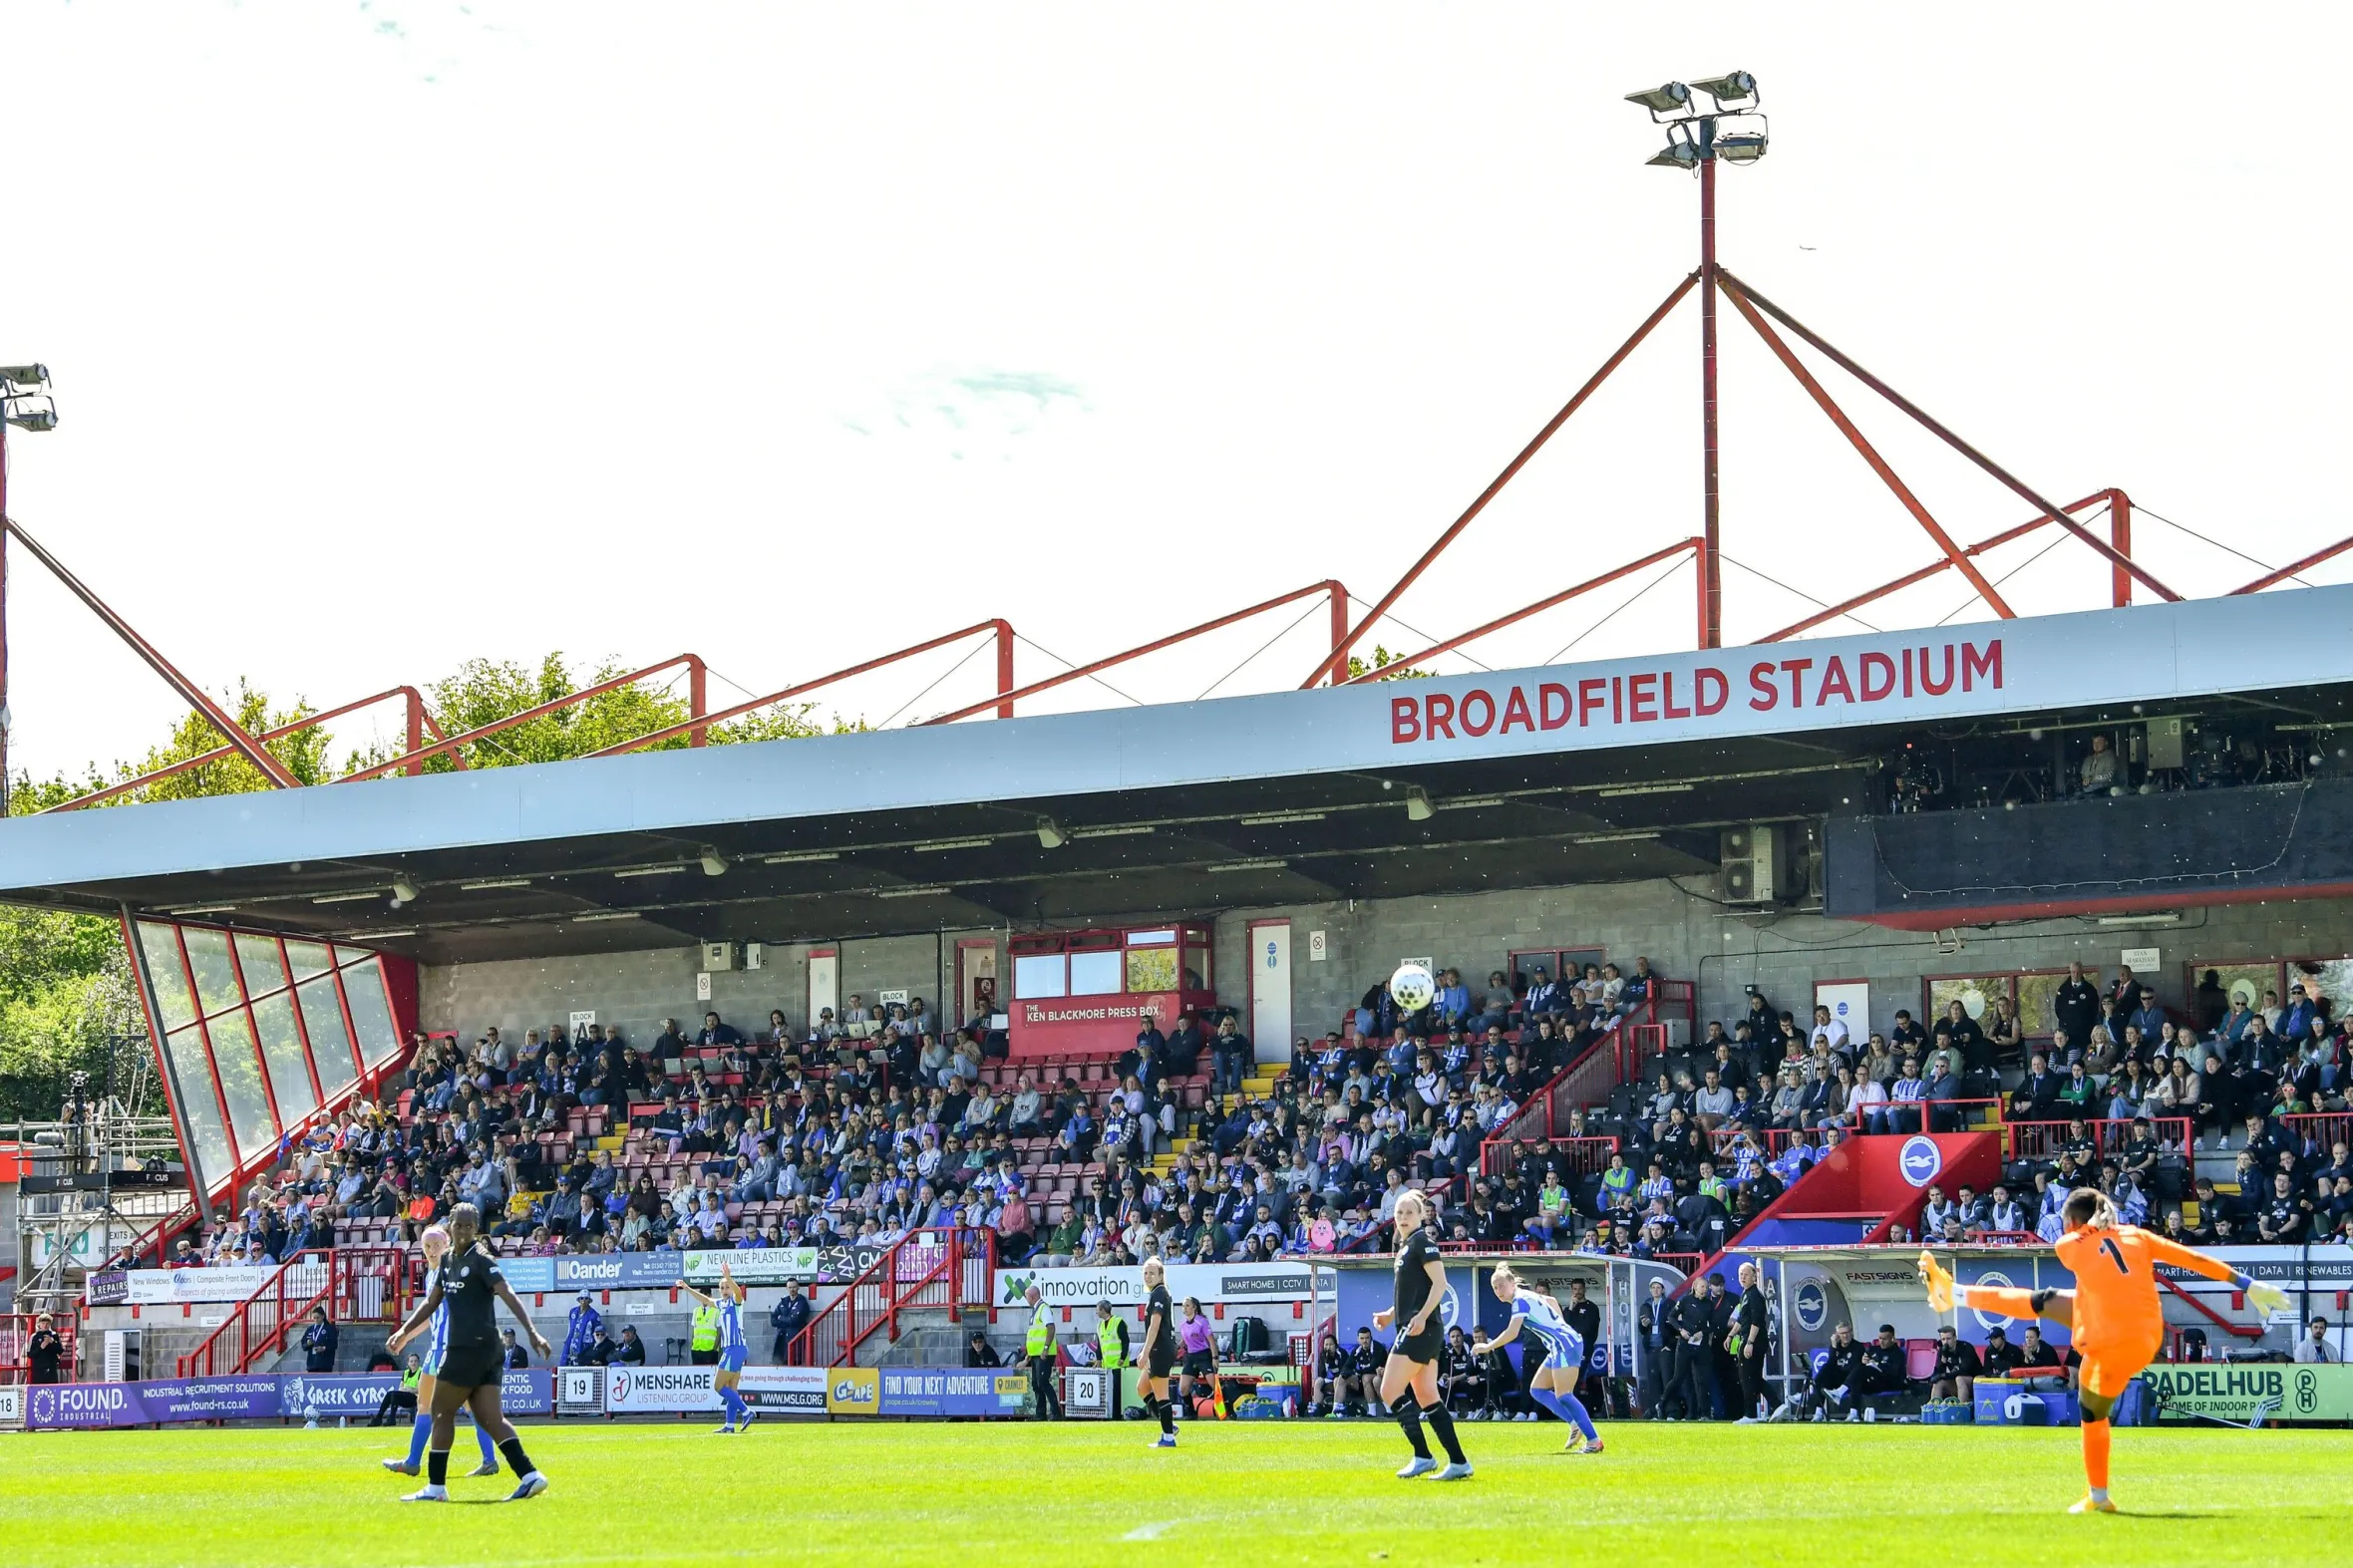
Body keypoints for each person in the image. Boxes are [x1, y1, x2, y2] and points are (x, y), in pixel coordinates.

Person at [1922, 1190, 2289, 1513]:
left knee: (2087, 1403)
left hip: (2108, 1341)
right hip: (2146, 1337)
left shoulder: (2069, 1246)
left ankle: (2098, 1494)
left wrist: (2090, 1230)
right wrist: (2248, 1283)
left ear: (2072, 1222)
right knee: (2051, 1302)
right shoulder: (2140, 1236)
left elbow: (2084, 1245)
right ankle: (1952, 1292)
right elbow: (2191, 1259)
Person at [384, 1204, 554, 1502]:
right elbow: (430, 1303)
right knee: (490, 1418)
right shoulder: (448, 1261)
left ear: (475, 1228)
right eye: (458, 1225)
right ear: (451, 1225)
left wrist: (531, 1331)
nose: (462, 1231)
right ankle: (530, 1475)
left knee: (440, 1412)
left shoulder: (480, 1260)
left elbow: (508, 1293)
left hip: (469, 1349)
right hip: (482, 1350)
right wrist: (403, 1330)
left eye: (468, 1226)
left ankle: (436, 1488)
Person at [379, 1224, 501, 1481]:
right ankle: (487, 1460)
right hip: (439, 1351)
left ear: (446, 1245)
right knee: (427, 1405)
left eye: (437, 1245)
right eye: (427, 1246)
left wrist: (403, 1333)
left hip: (452, 1351)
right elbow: (430, 1315)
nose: (432, 1250)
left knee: (444, 1407)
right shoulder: (433, 1275)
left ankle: (415, 1462)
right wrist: (405, 1336)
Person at [1371, 1190, 1471, 1479]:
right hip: (1417, 1326)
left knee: (1389, 1390)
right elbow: (1413, 1291)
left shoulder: (1422, 1242)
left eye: (1409, 1213)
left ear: (1421, 1215)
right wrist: (1391, 1314)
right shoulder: (1404, 1247)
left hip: (1421, 1328)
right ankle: (1459, 1462)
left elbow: (1440, 1284)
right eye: (1399, 1213)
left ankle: (1423, 1456)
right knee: (1427, 1395)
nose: (1403, 1218)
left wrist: (1421, 1316)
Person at [1475, 1265, 1602, 1454]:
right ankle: (1575, 1423)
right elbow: (1550, 1300)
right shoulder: (1527, 1295)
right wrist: (1560, 1325)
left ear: (1511, 1283)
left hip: (1564, 1345)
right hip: (1560, 1345)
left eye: (1501, 1285)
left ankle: (1594, 1440)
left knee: (1564, 1395)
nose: (1498, 1291)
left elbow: (1512, 1332)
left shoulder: (1520, 1301)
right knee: (1537, 1389)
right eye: (1495, 1288)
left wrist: (1487, 1347)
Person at [680, 1261, 754, 1434]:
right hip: (732, 1349)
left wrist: (729, 1278)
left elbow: (738, 1293)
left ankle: (746, 1411)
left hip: (735, 1348)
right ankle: (729, 1425)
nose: (724, 1290)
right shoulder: (721, 1303)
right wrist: (687, 1288)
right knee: (731, 1388)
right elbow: (705, 1300)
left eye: (726, 1287)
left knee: (718, 1386)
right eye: (722, 1287)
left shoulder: (737, 1302)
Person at [1136, 1258, 1179, 1448]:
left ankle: (1168, 1437)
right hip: (1159, 1348)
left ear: (1161, 1275)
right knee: (1142, 1388)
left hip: (1159, 1349)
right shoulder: (1157, 1293)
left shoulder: (1160, 1293)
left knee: (1161, 1394)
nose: (1148, 1276)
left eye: (1152, 1273)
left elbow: (1155, 1326)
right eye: (1145, 1273)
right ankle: (1168, 1423)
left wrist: (1145, 1352)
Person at [1729, 1261, 1770, 1422]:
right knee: (1751, 1377)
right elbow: (1741, 1319)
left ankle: (1750, 1414)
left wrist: (1750, 1342)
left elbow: (1756, 1320)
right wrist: (1731, 1335)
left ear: (1754, 1277)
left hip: (1754, 1340)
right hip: (1745, 1338)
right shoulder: (1745, 1294)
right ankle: (1776, 1404)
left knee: (1749, 1377)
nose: (1743, 1277)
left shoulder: (1755, 1295)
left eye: (1746, 1274)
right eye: (1741, 1275)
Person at [1022, 1284, 1062, 1420]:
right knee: (1036, 1384)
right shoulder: (1036, 1309)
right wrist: (1029, 1354)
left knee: (1043, 1382)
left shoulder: (1043, 1308)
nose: (1026, 1299)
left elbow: (1050, 1327)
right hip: (1035, 1354)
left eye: (1026, 1296)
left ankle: (1056, 1413)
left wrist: (1045, 1348)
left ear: (1031, 1296)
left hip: (1044, 1353)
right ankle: (1040, 1414)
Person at [1176, 1297, 1217, 1418]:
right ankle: (1191, 1413)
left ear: (1194, 1307)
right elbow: (1185, 1340)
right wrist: (1176, 1348)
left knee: (1214, 1385)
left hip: (1203, 1355)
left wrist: (1215, 1358)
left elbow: (1211, 1341)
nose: (1185, 1308)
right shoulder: (1183, 1324)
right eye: (1183, 1306)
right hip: (1191, 1356)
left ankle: (1227, 1409)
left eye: (1187, 1305)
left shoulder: (1202, 1321)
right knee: (1183, 1388)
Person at [300, 1306, 338, 1374]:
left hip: (325, 1363)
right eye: (314, 1318)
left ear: (323, 1316)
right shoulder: (310, 1329)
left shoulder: (330, 1328)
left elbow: (334, 1344)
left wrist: (324, 1348)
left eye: (318, 1318)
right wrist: (307, 1344)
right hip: (312, 1363)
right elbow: (303, 1344)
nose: (316, 1320)